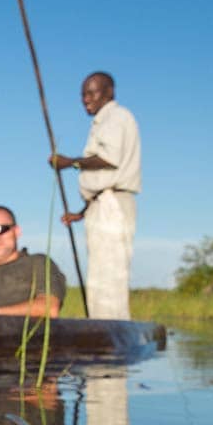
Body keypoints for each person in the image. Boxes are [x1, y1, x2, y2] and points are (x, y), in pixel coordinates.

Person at [49, 71, 142, 320]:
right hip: (101, 205)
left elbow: (109, 161)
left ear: (109, 92)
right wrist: (81, 212)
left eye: (91, 93)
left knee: (110, 278)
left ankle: (111, 336)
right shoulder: (103, 122)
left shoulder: (117, 117)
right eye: (83, 94)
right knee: (99, 278)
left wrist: (70, 163)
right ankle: (102, 331)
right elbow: (103, 182)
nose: (85, 99)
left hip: (112, 205)